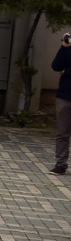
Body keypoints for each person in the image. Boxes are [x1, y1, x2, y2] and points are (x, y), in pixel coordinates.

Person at [52, 32, 70, 175]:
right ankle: (60, 164)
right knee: (62, 133)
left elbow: (64, 70)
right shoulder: (67, 49)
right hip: (64, 95)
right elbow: (56, 66)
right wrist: (64, 47)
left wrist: (67, 71)